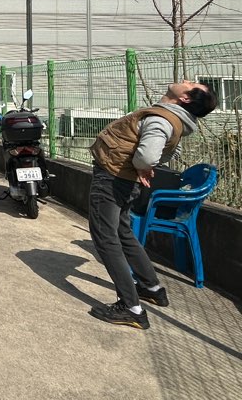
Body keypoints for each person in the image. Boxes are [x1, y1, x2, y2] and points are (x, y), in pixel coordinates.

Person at [86, 80, 217, 330]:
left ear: (186, 98)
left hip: (113, 179)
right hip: (125, 180)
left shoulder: (162, 119)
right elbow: (172, 152)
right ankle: (152, 287)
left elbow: (147, 156)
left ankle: (131, 308)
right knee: (123, 232)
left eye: (190, 84)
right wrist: (144, 166)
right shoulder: (173, 119)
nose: (185, 80)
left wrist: (144, 165)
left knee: (105, 238)